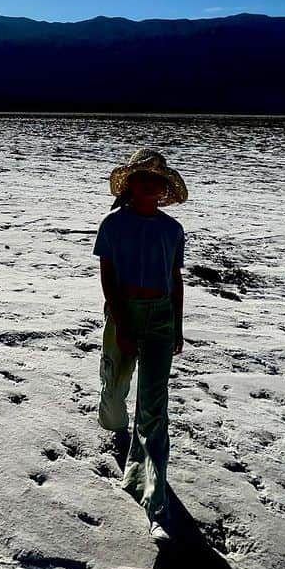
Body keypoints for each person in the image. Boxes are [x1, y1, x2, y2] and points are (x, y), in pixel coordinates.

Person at [93, 147, 188, 543]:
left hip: (161, 318)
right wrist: (121, 323)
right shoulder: (113, 225)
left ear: (164, 189)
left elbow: (175, 279)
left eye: (157, 180)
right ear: (130, 184)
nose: (150, 184)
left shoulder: (172, 230)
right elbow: (108, 277)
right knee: (115, 389)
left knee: (153, 408)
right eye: (142, 178)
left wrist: (178, 326)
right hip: (124, 312)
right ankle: (115, 426)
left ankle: (154, 499)